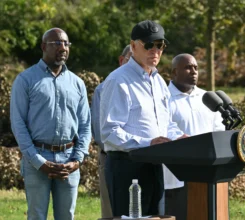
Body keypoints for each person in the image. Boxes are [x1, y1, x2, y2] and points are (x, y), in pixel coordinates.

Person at [99, 20, 187, 217]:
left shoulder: (159, 82)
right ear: (133, 46)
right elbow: (109, 132)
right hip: (127, 167)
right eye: (148, 45)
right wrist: (148, 143)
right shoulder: (118, 80)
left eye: (160, 45)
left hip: (155, 166)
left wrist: (179, 138)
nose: (155, 50)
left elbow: (166, 124)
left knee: (155, 217)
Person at [10, 28, 91, 220]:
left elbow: (86, 125)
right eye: (57, 43)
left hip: (68, 159)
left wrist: (77, 159)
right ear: (43, 46)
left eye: (66, 43)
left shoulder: (77, 83)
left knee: (66, 216)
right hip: (37, 157)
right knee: (37, 216)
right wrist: (38, 161)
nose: (63, 47)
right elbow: (18, 123)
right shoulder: (25, 80)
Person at [163, 53, 225, 219]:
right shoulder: (163, 99)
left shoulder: (208, 98)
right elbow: (164, 130)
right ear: (174, 72)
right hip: (176, 180)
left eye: (196, 68)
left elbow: (218, 130)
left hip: (207, 175)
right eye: (188, 67)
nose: (193, 71)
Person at [91, 45, 132, 218]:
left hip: (143, 160)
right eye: (131, 58)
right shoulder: (105, 88)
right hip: (112, 159)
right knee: (112, 213)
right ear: (121, 60)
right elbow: (101, 133)